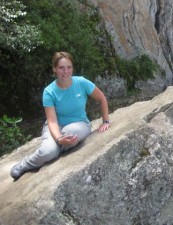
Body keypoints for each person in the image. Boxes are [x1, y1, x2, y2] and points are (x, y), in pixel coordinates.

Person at [10, 51, 110, 180]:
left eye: (69, 67)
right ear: (54, 69)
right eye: (61, 68)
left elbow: (101, 98)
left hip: (80, 124)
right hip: (55, 125)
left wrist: (106, 121)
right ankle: (25, 164)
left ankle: (55, 150)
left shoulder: (81, 82)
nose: (66, 71)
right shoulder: (49, 91)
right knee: (48, 151)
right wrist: (58, 139)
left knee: (71, 133)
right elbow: (51, 121)